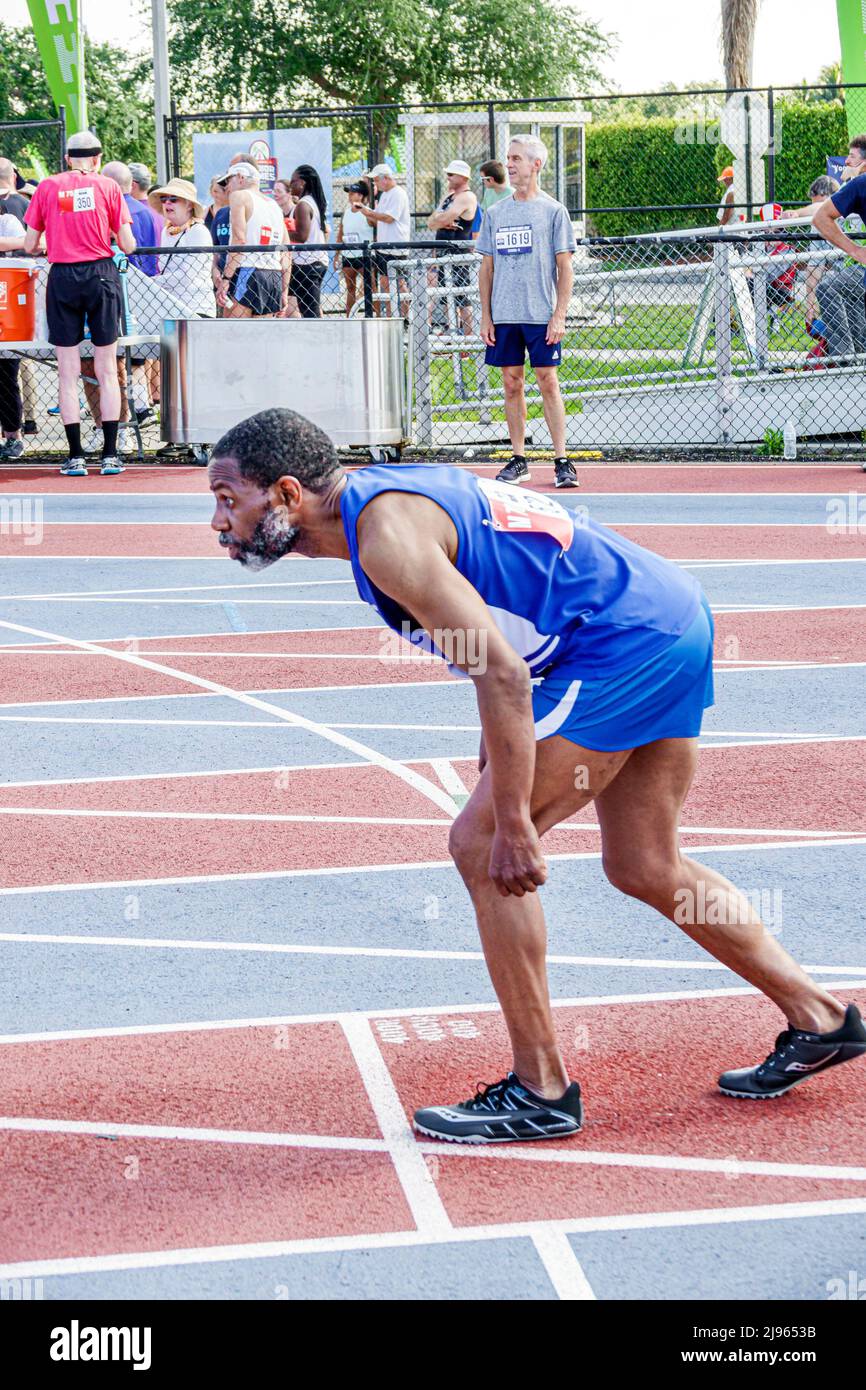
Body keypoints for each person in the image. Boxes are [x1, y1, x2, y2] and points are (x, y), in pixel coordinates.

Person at [208, 406, 866, 1138]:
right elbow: (500, 639)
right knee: (647, 863)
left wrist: (514, 821)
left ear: (290, 494)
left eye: (229, 499)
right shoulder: (383, 503)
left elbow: (505, 674)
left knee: (482, 849)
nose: (217, 521)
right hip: (666, 617)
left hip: (621, 645)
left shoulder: (387, 539)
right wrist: (502, 766)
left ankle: (542, 1089)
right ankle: (821, 1017)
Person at [22, 129, 136, 478]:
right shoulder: (108, 187)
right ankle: (111, 454)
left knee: (68, 371)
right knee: (106, 368)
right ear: (98, 159)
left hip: (63, 277)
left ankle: (74, 457)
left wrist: (56, 239)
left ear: (68, 158)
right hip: (101, 275)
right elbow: (128, 245)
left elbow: (29, 244)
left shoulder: (47, 187)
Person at [476, 134, 577, 489]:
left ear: (536, 164)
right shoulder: (495, 213)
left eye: (517, 158)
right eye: (508, 158)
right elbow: (486, 269)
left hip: (540, 315)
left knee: (548, 382)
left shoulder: (553, 211)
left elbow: (565, 267)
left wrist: (559, 314)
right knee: (511, 384)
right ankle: (519, 459)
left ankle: (562, 460)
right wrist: (486, 316)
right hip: (504, 316)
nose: (510, 164)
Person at [102, 160, 159, 425]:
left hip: (126, 286)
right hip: (149, 285)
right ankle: (143, 403)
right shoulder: (151, 213)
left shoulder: (118, 211)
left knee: (124, 358)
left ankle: (135, 407)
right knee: (140, 353)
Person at [811, 143, 866, 364]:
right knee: (845, 293)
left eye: (852, 157)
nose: (846, 162)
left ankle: (847, 361)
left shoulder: (858, 184)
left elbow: (819, 214)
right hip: (860, 269)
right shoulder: (857, 185)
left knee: (830, 287)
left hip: (859, 268)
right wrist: (855, 251)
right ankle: (852, 361)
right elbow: (818, 213)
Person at [213, 162, 284, 319]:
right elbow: (286, 252)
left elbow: (239, 240)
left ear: (240, 177)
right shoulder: (274, 206)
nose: (227, 187)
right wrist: (284, 290)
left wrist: (226, 279)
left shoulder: (240, 196)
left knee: (234, 335)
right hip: (273, 275)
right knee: (262, 338)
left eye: (228, 181)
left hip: (248, 270)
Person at [149, 177, 215, 318]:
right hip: (170, 307)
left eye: (173, 199)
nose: (167, 202)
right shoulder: (166, 231)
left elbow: (187, 276)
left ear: (189, 205)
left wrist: (151, 282)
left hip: (196, 307)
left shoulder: (198, 231)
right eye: (163, 199)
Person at [427, 159, 478, 339]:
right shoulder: (449, 197)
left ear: (463, 177)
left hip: (458, 255)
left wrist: (441, 219)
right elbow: (432, 222)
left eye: (451, 174)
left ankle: (468, 341)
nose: (447, 178)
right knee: (447, 299)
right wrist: (440, 220)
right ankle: (455, 338)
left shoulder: (467, 196)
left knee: (462, 299)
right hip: (442, 254)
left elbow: (439, 219)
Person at [359, 163, 410, 316]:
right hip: (384, 247)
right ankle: (391, 318)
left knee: (399, 284)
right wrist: (366, 211)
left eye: (376, 180)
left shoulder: (398, 193)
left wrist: (368, 212)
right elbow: (379, 218)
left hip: (396, 246)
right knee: (386, 284)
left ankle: (406, 318)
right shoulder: (386, 195)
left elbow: (388, 218)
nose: (374, 184)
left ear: (386, 178)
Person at [0, 204, 28, 460]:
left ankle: (13, 436)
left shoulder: (7, 220)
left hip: (6, 307)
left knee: (6, 375)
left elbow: (26, 243)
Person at [286, 165, 329, 318]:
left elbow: (302, 236)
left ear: (302, 183)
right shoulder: (311, 201)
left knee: (310, 312)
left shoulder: (303, 205)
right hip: (312, 262)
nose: (290, 186)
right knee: (307, 308)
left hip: (308, 264)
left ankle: (318, 339)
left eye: (293, 181)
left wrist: (283, 231)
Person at [335, 180, 374, 315]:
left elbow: (378, 228)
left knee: (372, 288)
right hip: (348, 255)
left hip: (365, 256)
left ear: (361, 196)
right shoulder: (346, 213)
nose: (350, 196)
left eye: (353, 193)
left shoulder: (368, 213)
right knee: (350, 288)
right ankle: (349, 317)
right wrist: (336, 255)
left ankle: (377, 316)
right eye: (349, 193)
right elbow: (341, 233)